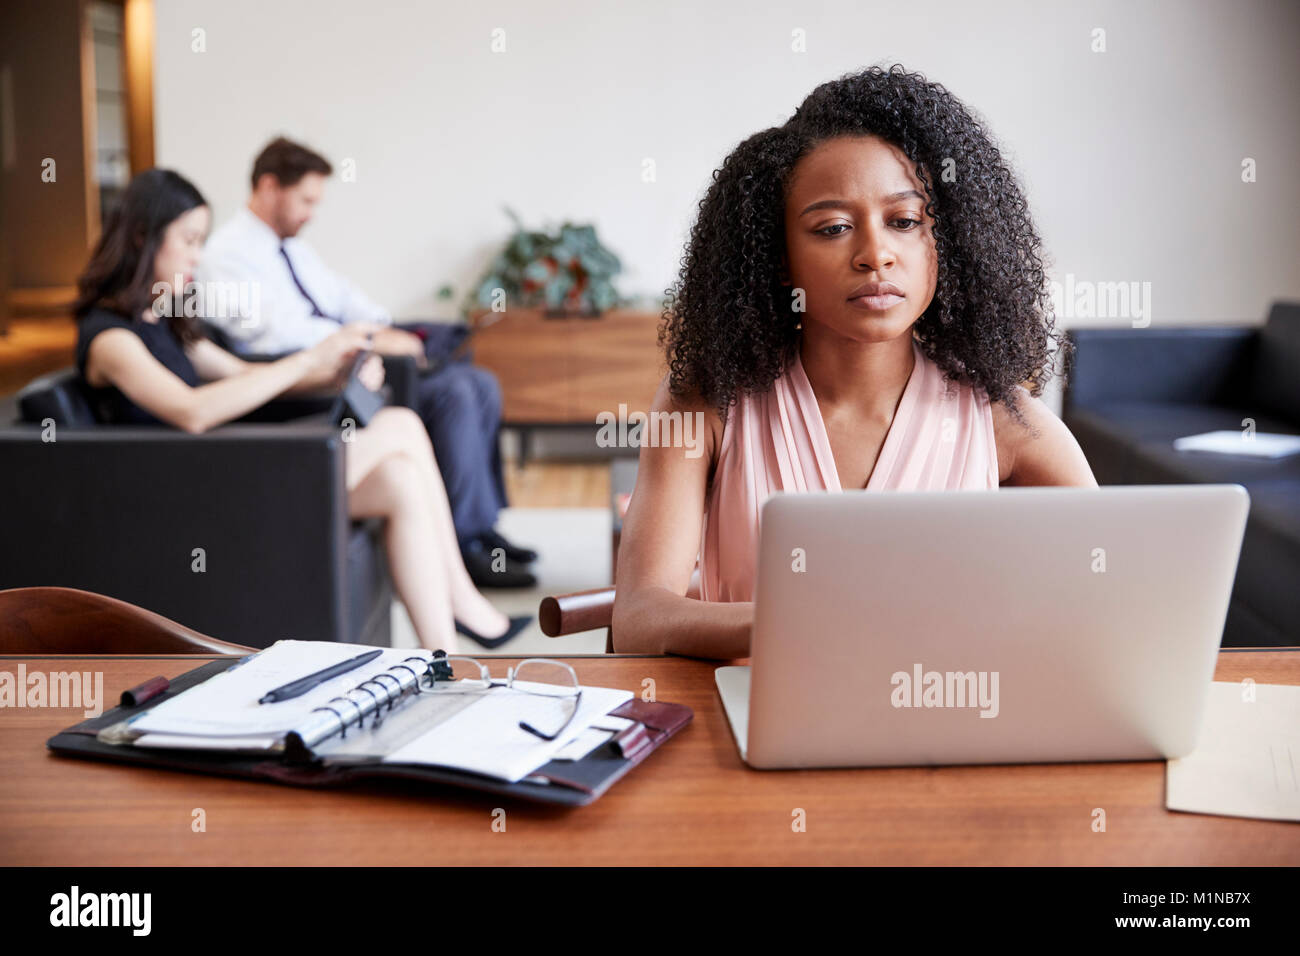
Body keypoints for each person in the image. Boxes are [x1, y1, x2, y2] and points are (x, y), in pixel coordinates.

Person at [611, 64, 1098, 659]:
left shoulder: (1005, 421)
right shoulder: (707, 402)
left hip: (948, 724)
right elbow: (638, 617)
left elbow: (1103, 600)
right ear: (779, 255)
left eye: (905, 221)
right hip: (753, 730)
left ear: (948, 240)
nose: (876, 255)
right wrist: (796, 624)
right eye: (834, 228)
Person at [74, 167, 533, 651]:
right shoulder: (110, 338)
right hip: (195, 500)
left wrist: (331, 373)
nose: (197, 255)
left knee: (400, 480)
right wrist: (309, 358)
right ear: (144, 236)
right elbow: (193, 411)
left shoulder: (164, 320)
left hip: (221, 474)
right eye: (188, 239)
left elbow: (239, 376)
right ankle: (464, 601)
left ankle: (444, 659)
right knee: (398, 424)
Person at [197, 137, 537, 588]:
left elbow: (339, 295)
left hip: (350, 352)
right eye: (306, 200)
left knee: (479, 383)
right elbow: (275, 335)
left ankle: (480, 527)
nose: (311, 213)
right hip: (312, 373)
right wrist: (371, 339)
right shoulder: (227, 256)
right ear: (269, 186)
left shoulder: (292, 247)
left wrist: (383, 325)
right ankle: (462, 542)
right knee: (453, 393)